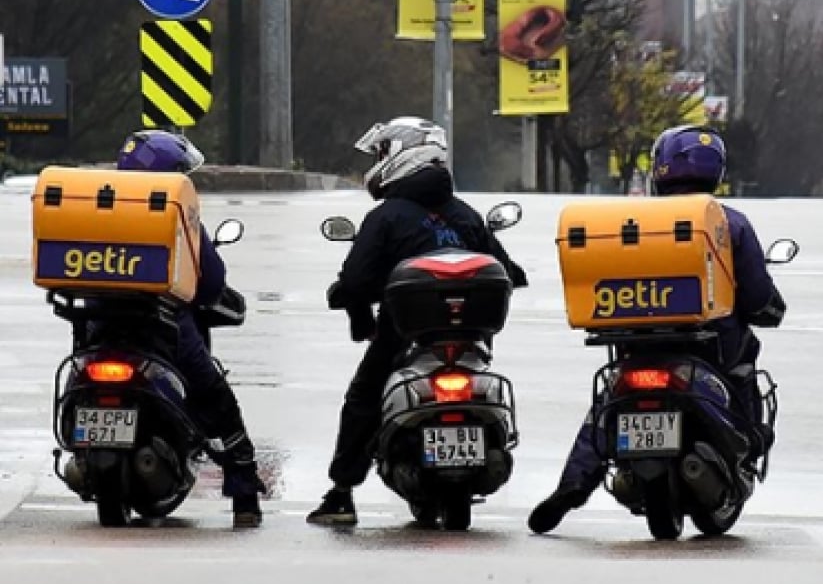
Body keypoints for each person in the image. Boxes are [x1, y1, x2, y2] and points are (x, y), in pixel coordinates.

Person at [528, 124, 787, 535]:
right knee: (743, 370)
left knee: (607, 403)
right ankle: (749, 442)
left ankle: (572, 487)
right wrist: (771, 307)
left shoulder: (633, 219)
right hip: (714, 349)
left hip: (638, 345)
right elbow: (757, 296)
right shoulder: (730, 223)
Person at [307, 116, 528, 526]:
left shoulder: (387, 217)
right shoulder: (465, 215)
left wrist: (355, 310)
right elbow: (510, 271)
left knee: (364, 399)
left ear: (401, 155)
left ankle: (342, 493)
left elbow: (355, 281)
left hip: (403, 338)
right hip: (471, 343)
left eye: (382, 153)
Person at [116, 130, 266, 528]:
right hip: (166, 333)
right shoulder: (176, 217)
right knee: (217, 400)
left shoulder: (97, 208)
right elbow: (212, 281)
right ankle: (244, 495)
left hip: (100, 331)